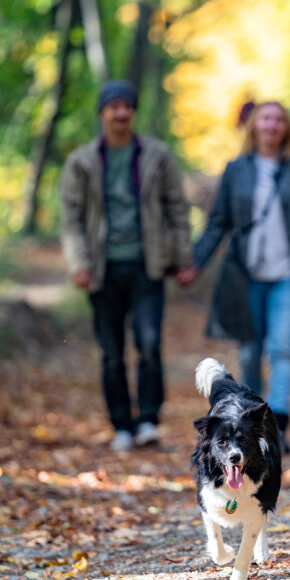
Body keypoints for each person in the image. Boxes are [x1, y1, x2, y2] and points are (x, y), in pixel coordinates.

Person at [60, 80, 196, 452]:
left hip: (147, 266)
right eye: (113, 106)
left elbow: (177, 209)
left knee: (149, 344)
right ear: (103, 112)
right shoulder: (82, 161)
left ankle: (148, 419)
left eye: (127, 106)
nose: (120, 113)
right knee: (111, 352)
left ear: (134, 112)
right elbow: (70, 218)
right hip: (102, 269)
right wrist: (79, 262)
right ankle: (121, 424)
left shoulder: (157, 155)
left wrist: (183, 258)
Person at [190, 101, 290, 452]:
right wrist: (193, 263)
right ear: (254, 126)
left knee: (281, 349)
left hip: (287, 275)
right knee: (251, 352)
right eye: (265, 118)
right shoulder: (236, 169)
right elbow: (218, 224)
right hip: (246, 275)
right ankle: (253, 420)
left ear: (286, 128)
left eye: (278, 119)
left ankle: (277, 426)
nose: (271, 125)